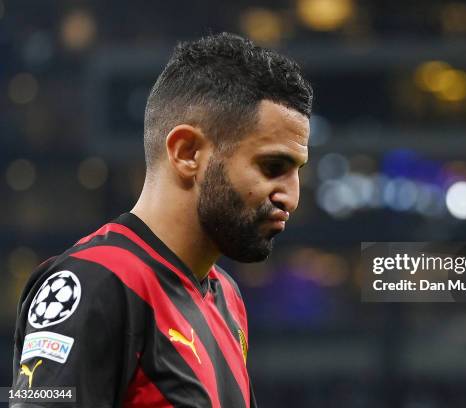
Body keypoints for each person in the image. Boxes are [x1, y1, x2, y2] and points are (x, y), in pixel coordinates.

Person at [11, 32, 313, 407]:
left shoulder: (227, 297)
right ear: (187, 153)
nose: (292, 197)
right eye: (273, 166)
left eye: (297, 171)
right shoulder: (93, 283)